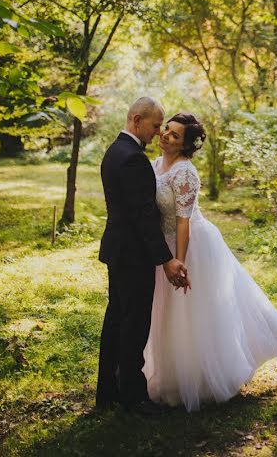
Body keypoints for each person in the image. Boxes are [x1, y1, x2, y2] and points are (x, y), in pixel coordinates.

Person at [143, 112, 277, 412]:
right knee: (164, 313)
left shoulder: (186, 172)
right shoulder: (156, 164)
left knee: (193, 314)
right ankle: (168, 373)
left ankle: (201, 378)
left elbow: (184, 222)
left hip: (190, 245)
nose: (165, 136)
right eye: (166, 130)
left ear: (185, 145)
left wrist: (180, 263)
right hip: (163, 246)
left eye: (174, 135)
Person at [96, 97, 190, 416]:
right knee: (134, 327)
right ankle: (134, 397)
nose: (157, 133)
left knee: (116, 321)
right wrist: (166, 259)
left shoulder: (114, 151)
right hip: (133, 255)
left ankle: (107, 390)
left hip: (117, 250)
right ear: (137, 120)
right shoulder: (133, 159)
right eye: (154, 125)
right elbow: (144, 217)